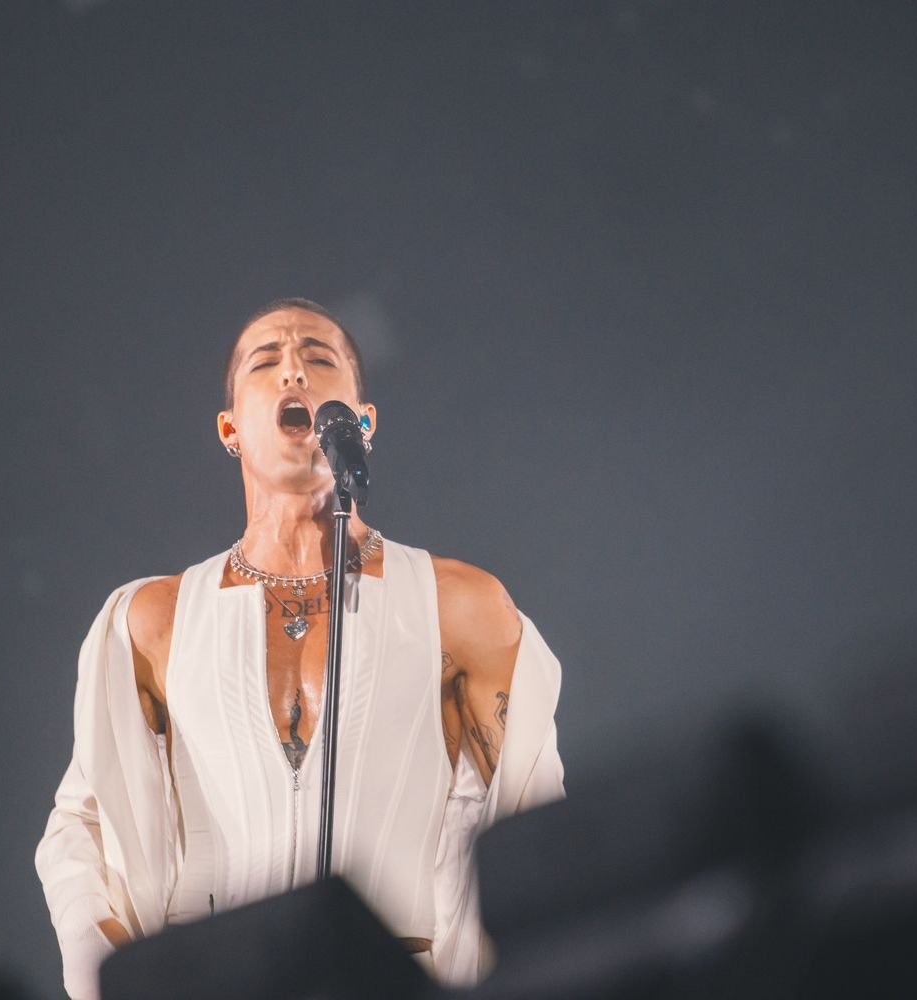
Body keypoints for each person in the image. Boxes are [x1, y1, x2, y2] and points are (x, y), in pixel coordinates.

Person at [35, 299, 566, 999]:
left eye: (318, 358)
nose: (293, 371)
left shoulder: (459, 606)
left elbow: (535, 828)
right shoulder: (153, 621)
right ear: (230, 428)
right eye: (266, 362)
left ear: (363, 423)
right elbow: (83, 833)